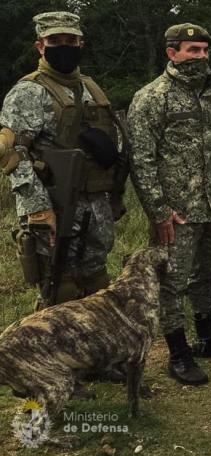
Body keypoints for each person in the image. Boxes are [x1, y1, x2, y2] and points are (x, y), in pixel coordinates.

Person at [127, 23, 211, 387]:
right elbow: (141, 159)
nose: (201, 57)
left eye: (205, 50)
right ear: (172, 52)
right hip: (175, 212)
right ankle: (178, 352)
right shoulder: (152, 97)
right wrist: (158, 210)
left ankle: (208, 338)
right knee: (172, 283)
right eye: (193, 50)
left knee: (208, 271)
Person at [0, 11, 128, 309]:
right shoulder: (29, 92)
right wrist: (38, 208)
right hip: (54, 206)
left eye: (70, 40)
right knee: (60, 288)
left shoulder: (90, 88)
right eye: (55, 41)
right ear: (40, 46)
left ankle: (94, 350)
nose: (64, 46)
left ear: (81, 43)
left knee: (97, 284)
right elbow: (12, 155)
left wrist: (114, 195)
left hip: (94, 205)